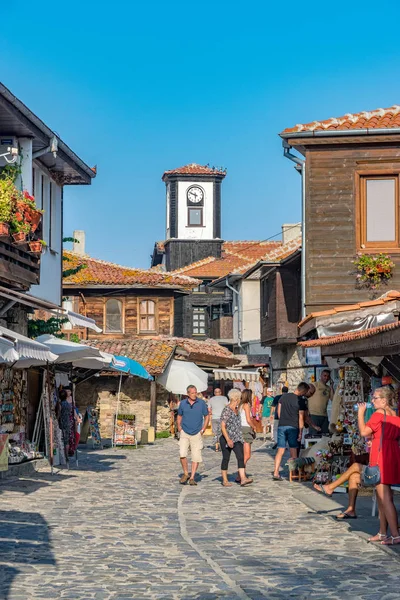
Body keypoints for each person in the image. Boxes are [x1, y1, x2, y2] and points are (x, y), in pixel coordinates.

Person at [273, 382, 309, 480]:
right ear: (303, 390)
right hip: (293, 427)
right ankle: (294, 473)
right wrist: (301, 432)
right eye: (305, 392)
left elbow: (279, 412)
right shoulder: (300, 401)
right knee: (293, 450)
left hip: (282, 426)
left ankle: (276, 472)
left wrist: (283, 420)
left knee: (280, 450)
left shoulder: (283, 397)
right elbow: (301, 417)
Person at [219, 388, 253, 487]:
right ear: (236, 398)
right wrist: (228, 439)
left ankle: (242, 479)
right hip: (226, 438)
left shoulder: (237, 410)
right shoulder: (227, 409)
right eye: (239, 398)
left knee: (241, 457)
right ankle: (225, 480)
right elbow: (222, 426)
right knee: (226, 458)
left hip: (237, 437)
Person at [177, 385, 210, 486]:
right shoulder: (182, 403)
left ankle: (192, 477)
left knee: (196, 456)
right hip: (185, 431)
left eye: (195, 392)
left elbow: (207, 416)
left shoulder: (201, 403)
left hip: (196, 432)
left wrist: (203, 429)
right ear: (188, 393)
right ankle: (186, 473)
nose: (194, 394)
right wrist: (179, 426)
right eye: (192, 393)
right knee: (182, 453)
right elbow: (179, 415)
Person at [307, 370, 333, 435]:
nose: (326, 378)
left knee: (325, 436)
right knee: (314, 436)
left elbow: (333, 399)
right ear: (320, 376)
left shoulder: (328, 388)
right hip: (313, 415)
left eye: (328, 376)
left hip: (324, 415)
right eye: (324, 375)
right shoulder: (315, 385)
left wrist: (332, 386)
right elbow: (306, 394)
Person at [238, 389, 256, 481]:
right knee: (247, 455)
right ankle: (240, 474)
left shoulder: (240, 405)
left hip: (241, 428)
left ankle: (240, 474)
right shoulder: (246, 405)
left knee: (244, 454)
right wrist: (254, 427)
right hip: (245, 429)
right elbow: (248, 420)